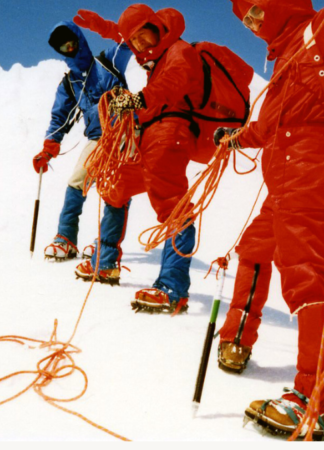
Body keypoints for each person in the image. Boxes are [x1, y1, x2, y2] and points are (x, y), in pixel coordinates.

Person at [214, 0, 324, 440]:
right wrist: (235, 138)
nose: (252, 23)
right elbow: (269, 125)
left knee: (306, 278)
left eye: (256, 9)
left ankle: (314, 403)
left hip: (310, 167)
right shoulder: (285, 59)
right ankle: (237, 338)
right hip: (286, 174)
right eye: (246, 19)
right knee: (254, 248)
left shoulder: (317, 33)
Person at [77, 5, 205, 313]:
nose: (139, 43)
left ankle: (172, 288)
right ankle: (105, 264)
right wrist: (101, 26)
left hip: (173, 128)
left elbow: (175, 83)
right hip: (149, 131)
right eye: (133, 40)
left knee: (171, 202)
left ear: (156, 26)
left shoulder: (179, 51)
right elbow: (124, 35)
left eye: (142, 35)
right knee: (116, 186)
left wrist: (137, 100)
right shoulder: (154, 54)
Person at [32, 19, 135, 285]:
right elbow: (59, 118)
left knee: (115, 188)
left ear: (79, 40)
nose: (69, 48)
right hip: (97, 138)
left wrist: (107, 27)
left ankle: (104, 244)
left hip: (125, 133)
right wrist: (48, 149)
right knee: (77, 180)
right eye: (63, 47)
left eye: (71, 42)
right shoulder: (70, 83)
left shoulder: (108, 62)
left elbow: (128, 42)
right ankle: (66, 238)